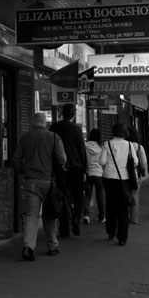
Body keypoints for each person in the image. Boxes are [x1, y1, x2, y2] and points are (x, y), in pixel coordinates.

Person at [12, 111, 67, 261]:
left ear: (33, 123)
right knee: (49, 214)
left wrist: (24, 171)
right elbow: (62, 160)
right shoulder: (54, 137)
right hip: (49, 181)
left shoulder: (25, 137)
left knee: (31, 215)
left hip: (31, 181)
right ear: (46, 123)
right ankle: (53, 245)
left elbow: (16, 159)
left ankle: (28, 246)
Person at [50, 103, 87, 236]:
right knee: (78, 196)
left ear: (61, 113)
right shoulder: (76, 129)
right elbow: (81, 150)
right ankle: (76, 217)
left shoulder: (54, 127)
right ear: (73, 114)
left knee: (62, 196)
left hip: (59, 168)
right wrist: (84, 170)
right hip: (75, 167)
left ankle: (64, 227)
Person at [99, 122, 138, 246]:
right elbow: (135, 161)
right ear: (125, 132)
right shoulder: (129, 145)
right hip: (124, 179)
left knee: (110, 205)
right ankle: (122, 237)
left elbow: (102, 161)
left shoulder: (107, 144)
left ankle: (111, 232)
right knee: (123, 207)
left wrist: (108, 165)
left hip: (109, 178)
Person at [82, 128, 105, 224]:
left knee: (87, 196)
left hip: (88, 173)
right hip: (99, 173)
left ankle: (86, 215)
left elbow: (83, 159)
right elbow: (104, 161)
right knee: (100, 196)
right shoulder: (102, 147)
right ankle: (101, 217)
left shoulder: (85, 146)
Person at [127, 127, 148, 224]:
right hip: (136, 175)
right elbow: (143, 162)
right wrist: (143, 172)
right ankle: (134, 219)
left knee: (125, 194)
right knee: (135, 196)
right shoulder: (139, 147)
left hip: (123, 174)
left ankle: (125, 216)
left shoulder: (124, 145)